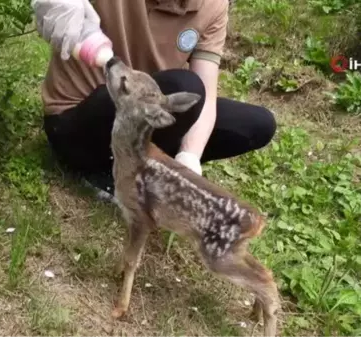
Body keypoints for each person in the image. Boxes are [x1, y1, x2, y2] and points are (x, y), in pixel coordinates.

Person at [32, 0, 276, 204]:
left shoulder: (212, 5)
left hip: (146, 111)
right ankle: (102, 171)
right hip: (78, 120)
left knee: (255, 124)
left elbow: (207, 93)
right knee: (184, 87)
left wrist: (189, 157)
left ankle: (150, 169)